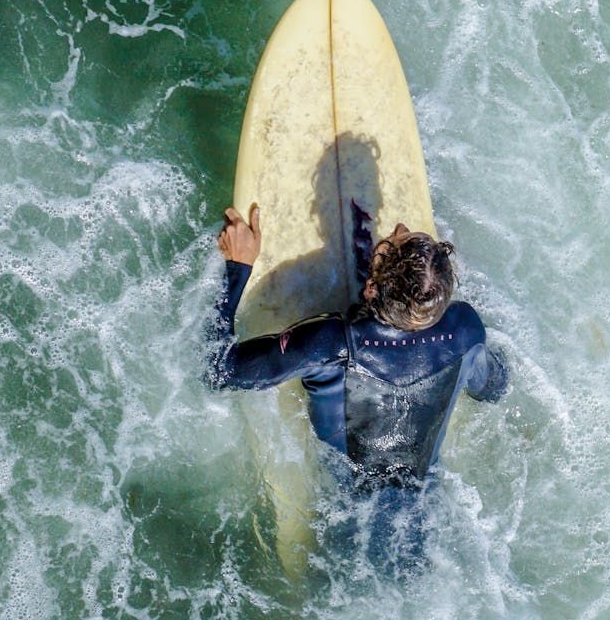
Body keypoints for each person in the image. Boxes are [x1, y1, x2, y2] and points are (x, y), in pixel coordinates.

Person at [204, 204, 508, 490]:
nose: (399, 226)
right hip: (426, 502)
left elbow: (217, 371)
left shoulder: (330, 344)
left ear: (371, 287)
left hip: (348, 510)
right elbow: (494, 388)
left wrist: (237, 268)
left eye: (390, 243)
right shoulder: (466, 331)